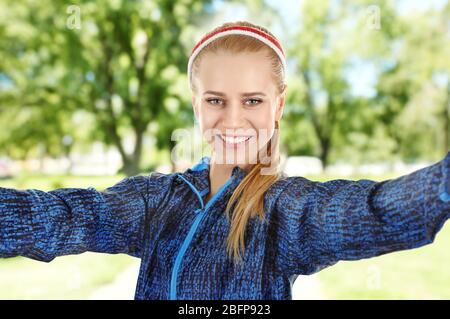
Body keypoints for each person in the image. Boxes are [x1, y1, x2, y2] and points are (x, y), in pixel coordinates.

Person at [0, 21, 449, 300]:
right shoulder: (157, 199)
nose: (233, 119)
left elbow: (375, 211)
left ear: (278, 105)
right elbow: (66, 217)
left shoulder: (287, 208)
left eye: (252, 100)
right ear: (197, 105)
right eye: (216, 100)